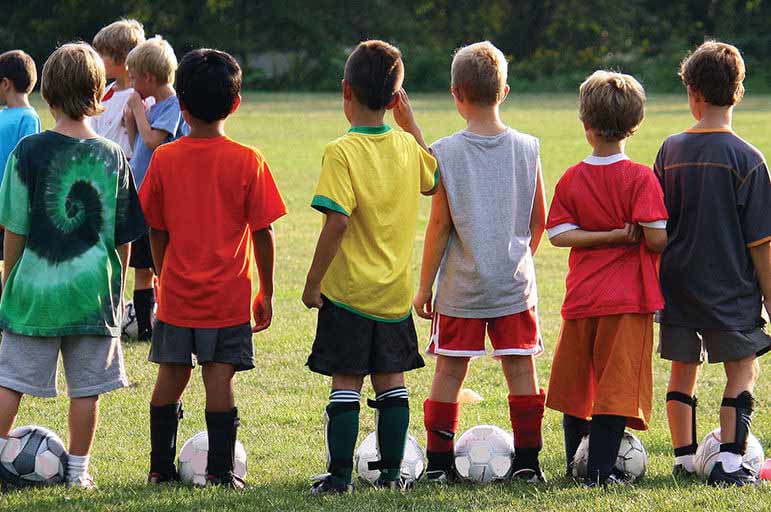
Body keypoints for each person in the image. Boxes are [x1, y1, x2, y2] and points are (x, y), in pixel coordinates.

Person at [0, 43, 146, 489]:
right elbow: (125, 238)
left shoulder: (27, 151)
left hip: (34, 291)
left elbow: (15, 229)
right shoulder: (114, 155)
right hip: (92, 296)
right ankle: (78, 472)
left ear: (48, 95)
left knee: (9, 380)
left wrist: (9, 279)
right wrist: (118, 289)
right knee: (87, 389)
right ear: (100, 93)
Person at [139, 48, 286, 488]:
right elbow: (264, 232)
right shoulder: (248, 160)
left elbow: (155, 228)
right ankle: (222, 473)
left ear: (180, 105)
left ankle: (159, 470)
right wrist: (267, 291)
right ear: (235, 103)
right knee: (219, 379)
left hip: (178, 295)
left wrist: (165, 273)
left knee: (171, 377)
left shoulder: (164, 159)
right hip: (228, 297)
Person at [302, 40, 438, 494]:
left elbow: (337, 220)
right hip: (394, 294)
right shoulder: (404, 146)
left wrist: (312, 281)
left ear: (346, 90)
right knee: (391, 382)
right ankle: (394, 474)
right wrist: (412, 124)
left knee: (346, 381)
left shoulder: (341, 151)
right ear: (396, 97)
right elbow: (433, 176)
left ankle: (340, 477)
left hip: (347, 293)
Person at [412, 41, 548, 484]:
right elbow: (539, 218)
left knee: (450, 369)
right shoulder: (528, 147)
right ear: (504, 91)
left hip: (461, 287)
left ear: (456, 94)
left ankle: (437, 464)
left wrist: (424, 286)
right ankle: (528, 462)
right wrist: (519, 259)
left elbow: (439, 226)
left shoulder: (445, 151)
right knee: (520, 368)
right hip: (513, 284)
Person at [656, 41, 771, 486]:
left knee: (683, 368)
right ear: (738, 92)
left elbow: (658, 221)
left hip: (678, 285)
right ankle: (727, 460)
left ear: (692, 92)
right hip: (730, 288)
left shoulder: (669, 150)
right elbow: (761, 244)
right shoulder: (749, 159)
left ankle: (684, 459)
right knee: (742, 369)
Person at [545, 70, 668, 486]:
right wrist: (631, 235)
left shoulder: (572, 177)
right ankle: (598, 469)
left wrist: (599, 236)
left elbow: (559, 234)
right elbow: (653, 238)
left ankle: (573, 463)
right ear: (635, 125)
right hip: (627, 300)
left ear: (585, 124)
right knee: (616, 385)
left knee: (578, 381)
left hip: (582, 297)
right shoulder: (640, 178)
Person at [124, 35, 188, 340]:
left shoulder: (174, 105)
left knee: (162, 262)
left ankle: (169, 317)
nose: (132, 84)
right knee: (142, 264)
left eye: (135, 78)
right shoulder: (155, 105)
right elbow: (140, 142)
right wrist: (132, 119)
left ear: (149, 78)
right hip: (142, 195)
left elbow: (153, 141)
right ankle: (145, 327)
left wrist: (137, 109)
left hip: (165, 199)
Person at [0, 50, 41, 285]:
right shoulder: (23, 117)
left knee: (11, 266)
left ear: (6, 84)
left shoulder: (28, 118)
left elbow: (27, 166)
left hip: (11, 208)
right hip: (6, 206)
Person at [90, 18, 146, 158]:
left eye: (102, 54)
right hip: (102, 169)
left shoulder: (143, 95)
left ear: (124, 57)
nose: (97, 59)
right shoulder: (101, 94)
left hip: (131, 171)